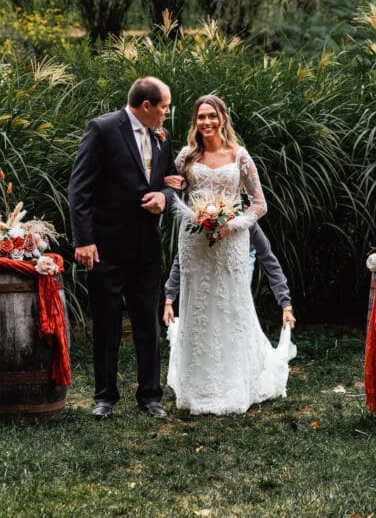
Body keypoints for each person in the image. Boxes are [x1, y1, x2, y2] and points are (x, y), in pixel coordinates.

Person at [161, 94, 296, 415]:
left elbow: (259, 205)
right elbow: (168, 189)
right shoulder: (185, 157)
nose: (206, 122)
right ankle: (196, 387)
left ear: (222, 118)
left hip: (231, 241)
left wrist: (229, 224)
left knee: (230, 308)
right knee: (198, 308)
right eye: (200, 117)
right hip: (194, 240)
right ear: (195, 122)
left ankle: (236, 383)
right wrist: (182, 204)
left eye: (212, 116)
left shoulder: (240, 157)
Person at [68, 76, 177, 420]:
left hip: (146, 247)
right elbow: (79, 188)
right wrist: (84, 240)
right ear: (146, 106)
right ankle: (105, 397)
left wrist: (165, 197)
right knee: (106, 323)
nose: (167, 113)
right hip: (106, 247)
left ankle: (151, 397)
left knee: (148, 323)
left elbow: (172, 182)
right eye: (164, 106)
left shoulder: (162, 136)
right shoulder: (102, 129)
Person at [163, 222, 296, 323]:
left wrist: (286, 305)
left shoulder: (248, 222)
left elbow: (269, 261)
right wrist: (169, 299)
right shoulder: (200, 220)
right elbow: (182, 258)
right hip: (207, 261)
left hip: (240, 260)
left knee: (235, 308)